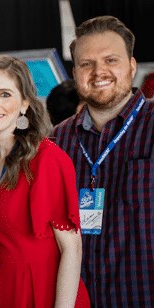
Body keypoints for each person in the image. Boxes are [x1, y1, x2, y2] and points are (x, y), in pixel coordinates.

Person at [0, 55, 90, 308]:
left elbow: (72, 251)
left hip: (43, 292)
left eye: (5, 94)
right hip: (2, 289)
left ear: (25, 104)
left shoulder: (47, 159)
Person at [51, 15, 154, 308]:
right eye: (87, 64)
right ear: (74, 73)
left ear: (132, 66)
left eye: (111, 60)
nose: (99, 72)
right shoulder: (57, 142)